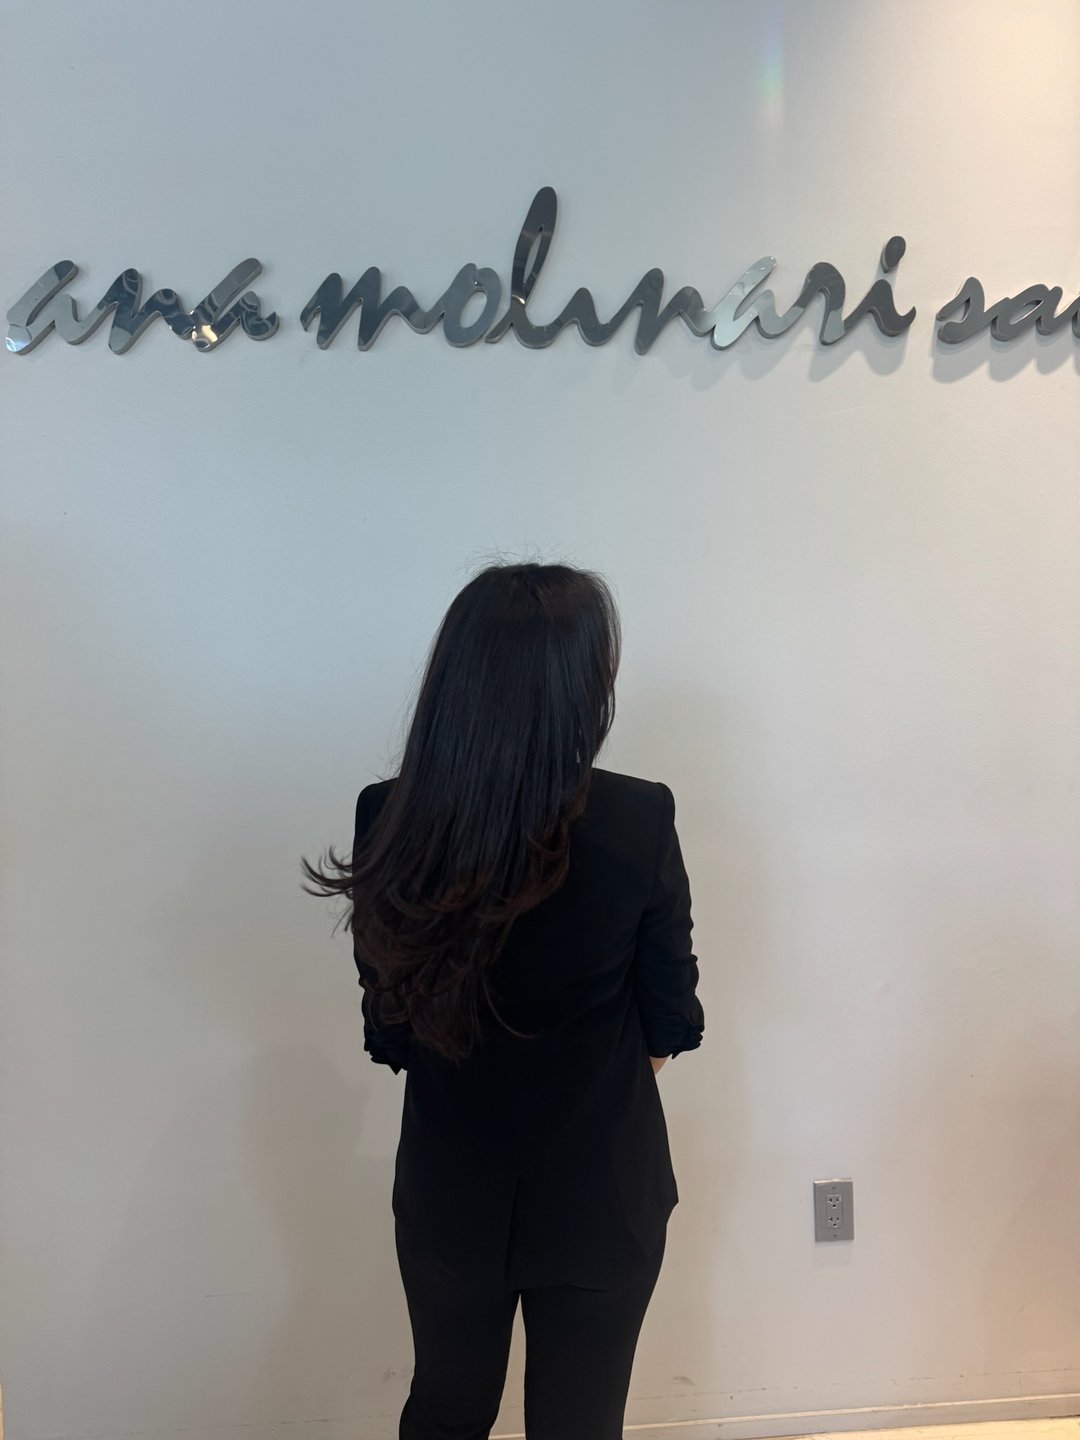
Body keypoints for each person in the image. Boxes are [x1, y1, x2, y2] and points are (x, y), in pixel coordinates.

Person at [302, 559, 704, 1440]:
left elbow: (392, 1024)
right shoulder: (639, 819)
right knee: (580, 1423)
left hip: (452, 1190)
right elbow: (668, 1021)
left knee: (445, 1411)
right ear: (583, 689)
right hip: (603, 1189)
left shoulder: (389, 815)